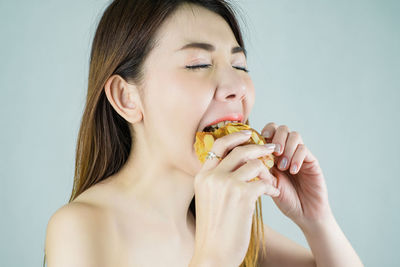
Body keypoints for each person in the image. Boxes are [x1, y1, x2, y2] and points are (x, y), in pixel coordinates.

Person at [44, 0, 364, 266]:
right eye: (198, 64)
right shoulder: (80, 226)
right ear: (127, 98)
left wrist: (317, 221)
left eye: (240, 66)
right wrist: (214, 257)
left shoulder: (224, 222)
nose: (237, 88)